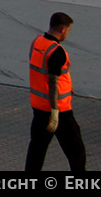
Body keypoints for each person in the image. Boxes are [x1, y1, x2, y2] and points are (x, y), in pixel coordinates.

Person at [25, 12, 85, 172]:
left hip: (38, 107)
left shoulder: (36, 43)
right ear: (63, 30)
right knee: (77, 152)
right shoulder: (56, 51)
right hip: (59, 112)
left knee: (37, 150)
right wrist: (55, 112)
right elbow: (52, 82)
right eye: (68, 30)